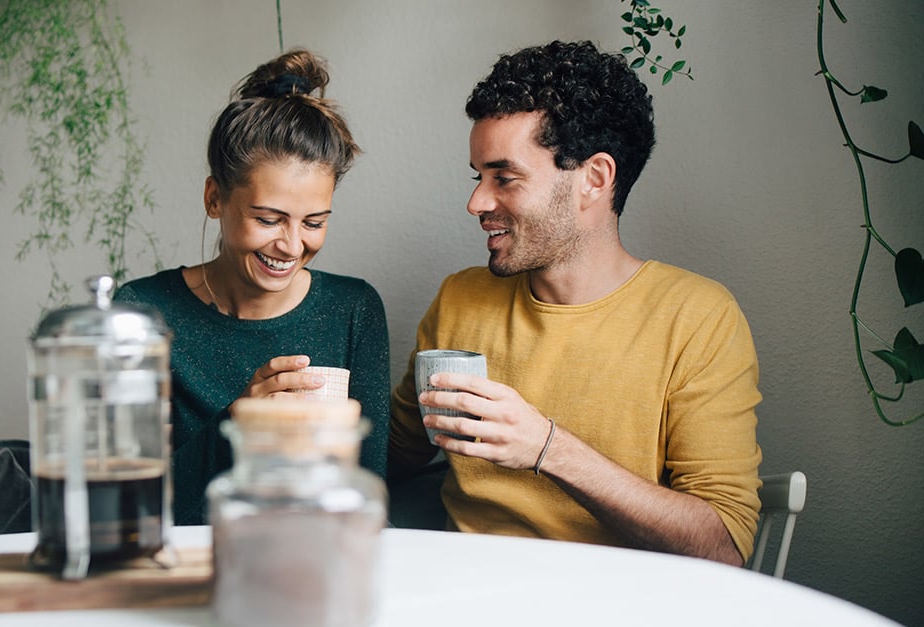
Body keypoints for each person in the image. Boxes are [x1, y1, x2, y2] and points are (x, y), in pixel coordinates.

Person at [388, 40, 762, 565]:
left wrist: (548, 449)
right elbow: (392, 455)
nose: (476, 201)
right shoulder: (461, 299)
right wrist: (291, 416)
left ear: (594, 178)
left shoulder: (696, 318)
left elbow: (722, 548)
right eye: (479, 177)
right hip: (463, 596)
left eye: (505, 177)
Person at [115, 49, 389, 526]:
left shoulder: (354, 309)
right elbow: (126, 505)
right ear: (215, 198)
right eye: (268, 219)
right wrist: (238, 426)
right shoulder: (140, 314)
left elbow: (369, 501)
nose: (291, 245)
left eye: (314, 222)